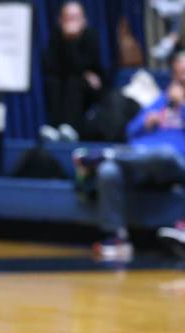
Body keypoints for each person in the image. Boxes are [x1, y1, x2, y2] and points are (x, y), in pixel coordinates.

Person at [91, 81, 185, 260]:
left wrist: (181, 106)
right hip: (140, 159)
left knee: (165, 153)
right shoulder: (160, 102)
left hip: (175, 163)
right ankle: (116, 237)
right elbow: (130, 131)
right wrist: (145, 122)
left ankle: (110, 154)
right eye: (179, 77)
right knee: (108, 171)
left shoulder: (180, 104)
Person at [41, 1, 105, 142]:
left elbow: (86, 65)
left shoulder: (91, 36)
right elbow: (52, 66)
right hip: (63, 80)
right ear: (61, 20)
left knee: (74, 82)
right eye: (68, 18)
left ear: (84, 20)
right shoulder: (56, 36)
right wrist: (67, 40)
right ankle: (54, 127)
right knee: (54, 82)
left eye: (76, 17)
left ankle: (71, 127)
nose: (72, 22)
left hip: (88, 86)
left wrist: (72, 41)